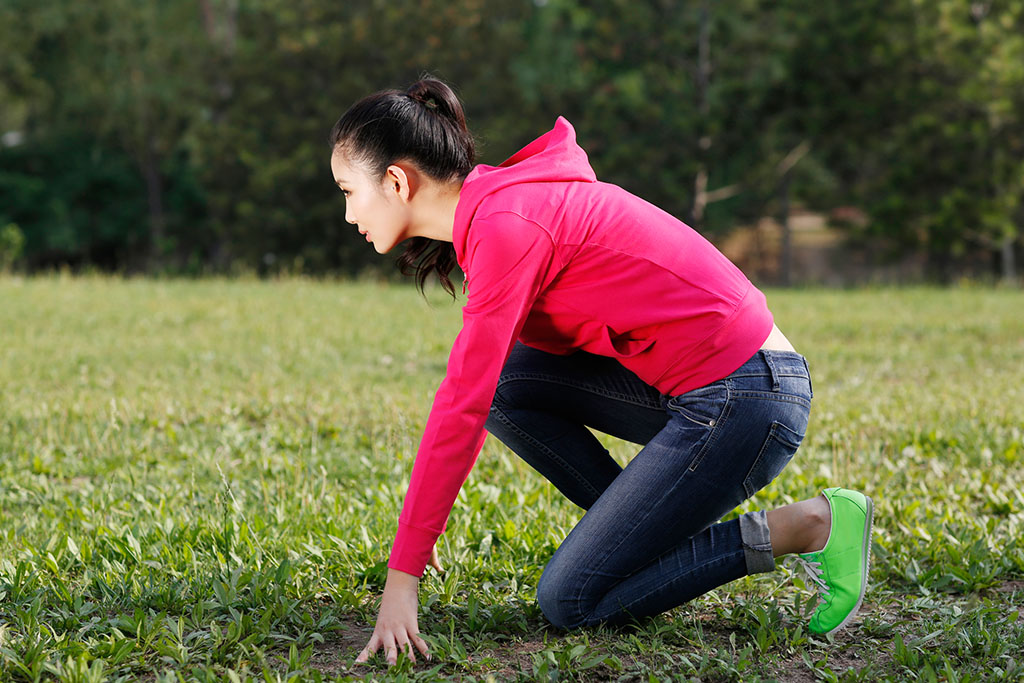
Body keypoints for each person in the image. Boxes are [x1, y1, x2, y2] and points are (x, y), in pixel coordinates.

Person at [329, 77, 873, 667]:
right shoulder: (501, 208)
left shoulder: (506, 222)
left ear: (397, 181)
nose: (349, 213)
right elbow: (494, 384)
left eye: (349, 191)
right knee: (510, 384)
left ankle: (809, 525)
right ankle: (644, 537)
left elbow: (461, 401)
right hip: (708, 385)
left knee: (571, 599)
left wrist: (404, 574)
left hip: (748, 397)